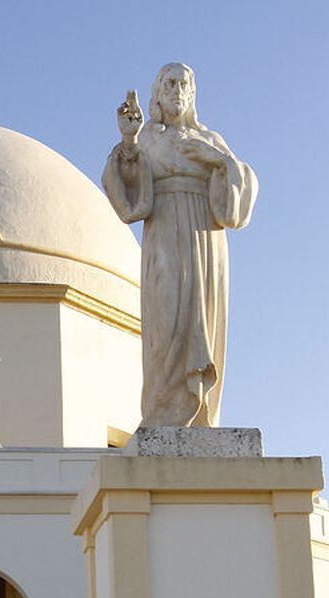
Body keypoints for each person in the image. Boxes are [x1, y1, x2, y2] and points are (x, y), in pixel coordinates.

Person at [103, 62, 258, 428]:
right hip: (165, 231)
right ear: (157, 93)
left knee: (202, 318)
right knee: (167, 319)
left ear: (193, 93)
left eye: (184, 84)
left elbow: (239, 200)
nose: (177, 90)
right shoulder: (146, 138)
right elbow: (127, 193)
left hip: (206, 236)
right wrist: (128, 141)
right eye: (169, 84)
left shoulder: (211, 140)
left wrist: (219, 161)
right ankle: (162, 414)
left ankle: (203, 413)